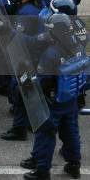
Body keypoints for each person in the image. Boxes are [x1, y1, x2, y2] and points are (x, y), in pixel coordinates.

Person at [20, 13, 86, 180]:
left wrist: (28, 81)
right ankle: (74, 165)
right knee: (71, 133)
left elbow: (43, 81)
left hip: (53, 101)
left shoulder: (51, 54)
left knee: (45, 133)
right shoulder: (78, 46)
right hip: (71, 98)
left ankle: (42, 170)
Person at [0, 0, 43, 141]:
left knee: (19, 91)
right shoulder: (26, 8)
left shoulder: (27, 14)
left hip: (27, 60)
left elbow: (23, 40)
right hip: (28, 58)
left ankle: (19, 129)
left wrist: (8, 30)